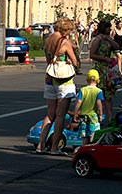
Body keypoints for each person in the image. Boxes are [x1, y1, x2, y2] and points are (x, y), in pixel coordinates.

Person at [36, 17, 78, 155]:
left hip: (49, 78)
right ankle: (54, 147)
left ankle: (40, 145)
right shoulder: (64, 42)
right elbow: (75, 62)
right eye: (69, 30)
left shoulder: (48, 40)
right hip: (63, 80)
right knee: (60, 115)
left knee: (50, 114)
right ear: (65, 29)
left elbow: (49, 60)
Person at [89, 19, 122, 122]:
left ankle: (110, 118)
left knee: (108, 94)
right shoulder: (98, 39)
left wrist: (109, 39)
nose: (110, 29)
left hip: (107, 69)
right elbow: (92, 54)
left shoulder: (108, 39)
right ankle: (97, 116)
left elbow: (117, 47)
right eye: (108, 28)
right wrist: (104, 58)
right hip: (99, 68)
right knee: (99, 92)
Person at [72, 69, 104, 145]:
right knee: (93, 133)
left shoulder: (83, 90)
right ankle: (91, 147)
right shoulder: (98, 91)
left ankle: (84, 147)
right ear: (98, 80)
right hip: (93, 116)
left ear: (87, 80)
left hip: (83, 116)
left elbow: (79, 102)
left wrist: (75, 113)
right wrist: (100, 114)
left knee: (84, 134)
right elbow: (99, 103)